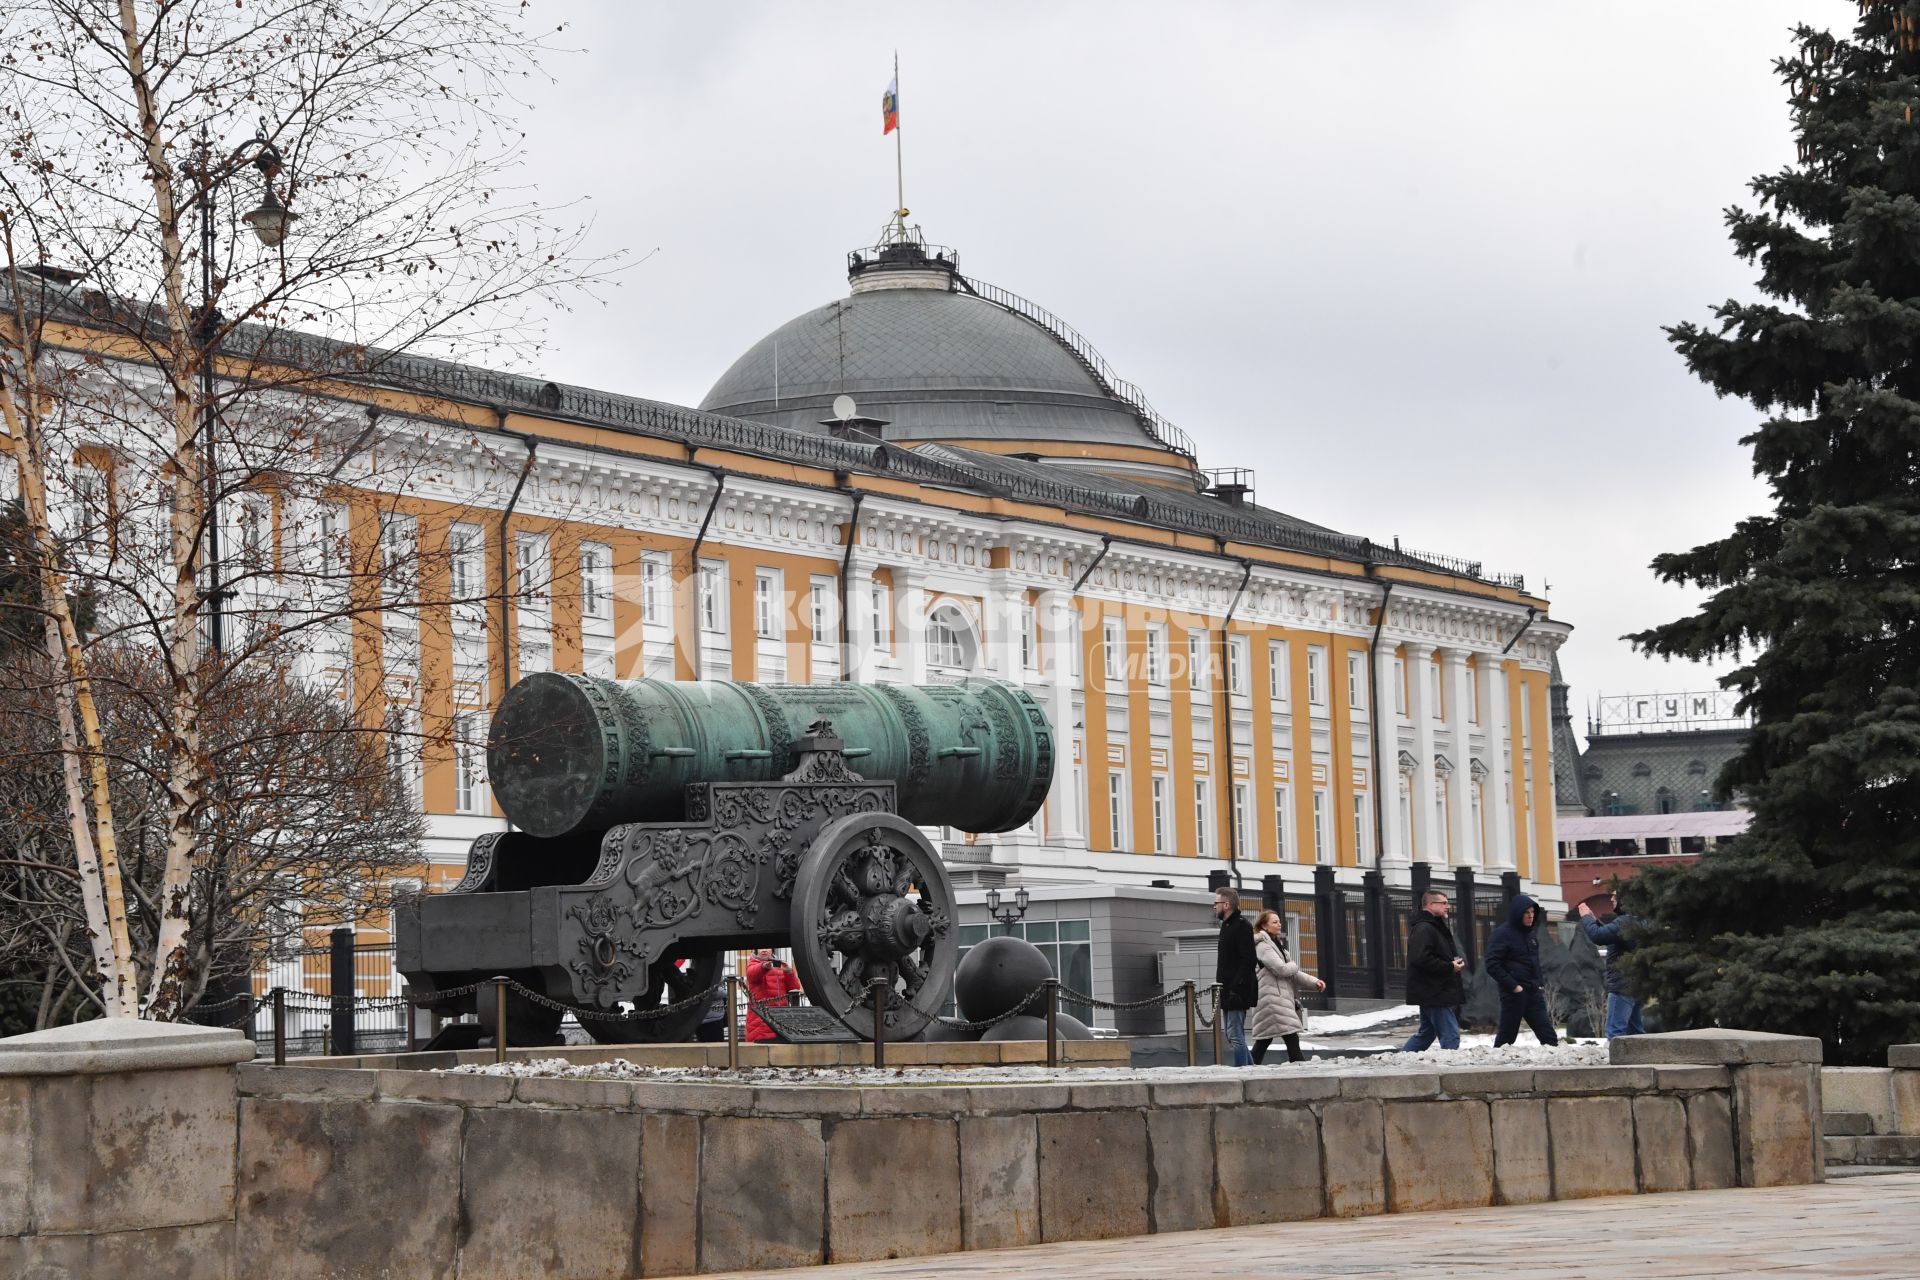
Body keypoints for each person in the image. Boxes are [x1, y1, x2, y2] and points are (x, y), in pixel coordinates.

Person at [1483, 894, 1559, 1048]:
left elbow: (1533, 962)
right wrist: (1514, 986)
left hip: (1533, 991)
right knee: (1506, 1038)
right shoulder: (1502, 934)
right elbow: (1492, 964)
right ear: (1518, 913)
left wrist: (1538, 984)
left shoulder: (1530, 934)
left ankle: (1555, 1068)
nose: (1530, 916)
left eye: (1532, 912)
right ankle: (1498, 1067)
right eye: (1526, 912)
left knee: (1549, 1037)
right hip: (1514, 993)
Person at [1249, 909, 1325, 1063]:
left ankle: (1248, 1065)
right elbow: (1282, 969)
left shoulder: (1277, 945)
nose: (1279, 924)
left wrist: (1313, 981)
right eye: (1274, 922)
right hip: (1271, 998)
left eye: (1279, 921)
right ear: (1264, 926)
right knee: (1290, 1035)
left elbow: (1292, 973)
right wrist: (1294, 964)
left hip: (1277, 996)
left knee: (1266, 1039)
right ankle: (1299, 1066)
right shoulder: (1263, 946)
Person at [1399, 889, 1467, 1052]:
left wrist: (1452, 963)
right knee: (1450, 1035)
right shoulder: (1425, 928)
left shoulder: (1433, 927)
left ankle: (1401, 1061)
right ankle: (1450, 1070)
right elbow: (1420, 958)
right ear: (1430, 905)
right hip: (1434, 991)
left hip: (1433, 989)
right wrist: (1450, 967)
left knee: (1426, 1034)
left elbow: (1431, 955)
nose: (1447, 906)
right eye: (1443, 903)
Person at [1577, 899, 1645, 1038]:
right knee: (1636, 1033)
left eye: (1615, 895)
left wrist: (1586, 917)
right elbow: (1613, 936)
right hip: (1636, 985)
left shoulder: (1624, 921)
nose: (1612, 899)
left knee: (1615, 1033)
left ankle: (1617, 1059)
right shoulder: (1638, 920)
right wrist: (1594, 920)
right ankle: (1644, 1059)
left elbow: (1598, 936)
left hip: (1621, 986)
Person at [1213, 887, 1258, 1067]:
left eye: (1216, 903)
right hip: (1227, 988)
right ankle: (1251, 1069)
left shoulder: (1242, 926)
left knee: (1235, 1034)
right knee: (1232, 1034)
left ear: (1227, 904)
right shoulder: (1227, 925)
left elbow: (1249, 959)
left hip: (1237, 990)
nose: (1214, 907)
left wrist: (1235, 986)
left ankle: (1242, 1072)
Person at [743, 948, 803, 1043]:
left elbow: (794, 988)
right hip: (761, 1018)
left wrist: (789, 972)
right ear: (756, 950)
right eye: (761, 948)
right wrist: (763, 967)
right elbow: (752, 974)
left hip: (780, 1017)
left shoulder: (779, 966)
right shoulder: (752, 964)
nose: (764, 950)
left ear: (772, 950)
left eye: (767, 947)